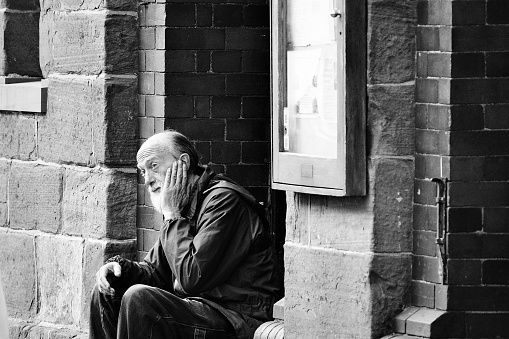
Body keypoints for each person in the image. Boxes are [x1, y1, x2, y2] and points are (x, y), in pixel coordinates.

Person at [90, 130, 281, 339]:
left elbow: (192, 277)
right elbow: (156, 273)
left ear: (184, 162)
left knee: (140, 299)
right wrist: (120, 271)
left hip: (234, 319)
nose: (147, 180)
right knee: (107, 291)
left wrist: (172, 216)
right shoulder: (181, 205)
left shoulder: (224, 202)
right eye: (143, 171)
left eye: (153, 166)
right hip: (197, 310)